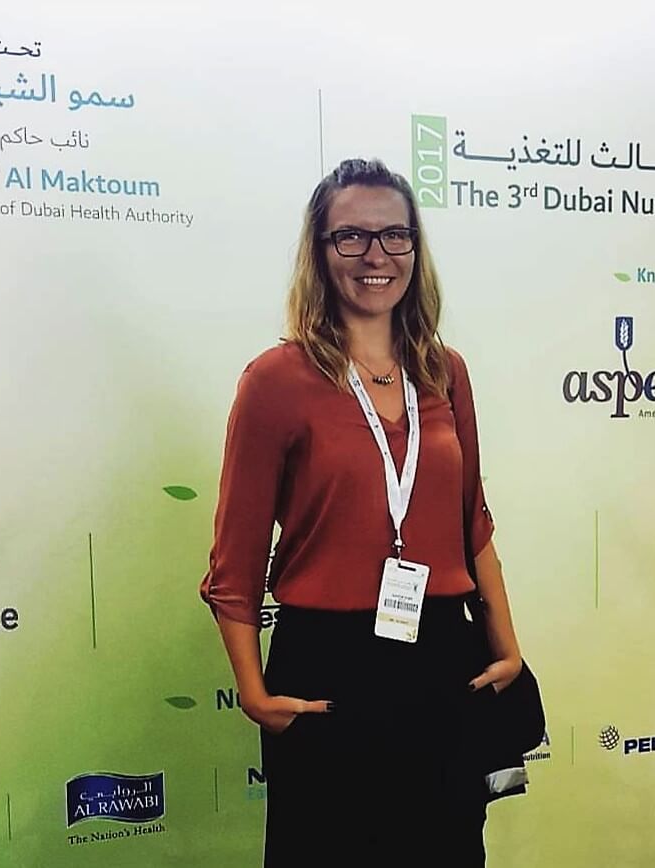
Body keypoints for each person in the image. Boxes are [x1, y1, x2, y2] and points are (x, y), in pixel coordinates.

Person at [200, 158, 523, 868]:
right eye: (351, 237)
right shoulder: (275, 381)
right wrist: (254, 693)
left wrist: (507, 649)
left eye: (394, 235)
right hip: (328, 666)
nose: (376, 255)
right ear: (320, 252)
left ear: (414, 248)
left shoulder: (444, 371)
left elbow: (472, 521)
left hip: (440, 656)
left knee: (445, 851)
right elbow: (235, 559)